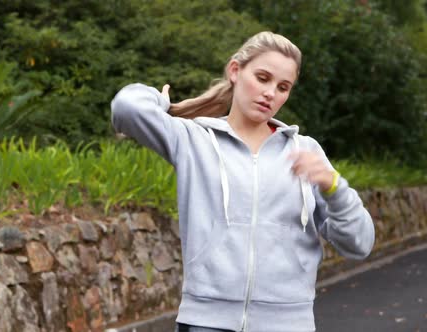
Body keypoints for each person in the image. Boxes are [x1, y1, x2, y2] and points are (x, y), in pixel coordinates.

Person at [110, 31, 375, 332]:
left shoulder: (305, 151)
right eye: (262, 78)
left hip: (288, 324)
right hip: (205, 323)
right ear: (235, 71)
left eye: (283, 87)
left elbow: (360, 244)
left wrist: (334, 186)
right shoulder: (194, 140)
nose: (271, 93)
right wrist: (162, 102)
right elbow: (126, 108)